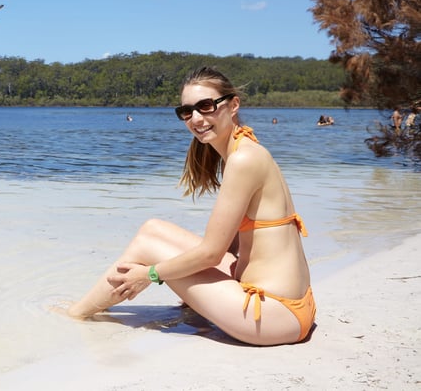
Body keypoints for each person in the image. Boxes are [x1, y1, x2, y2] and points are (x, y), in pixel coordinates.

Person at [67, 67, 315, 346]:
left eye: (206, 106)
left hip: (273, 314)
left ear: (233, 105)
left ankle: (76, 314)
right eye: (187, 111)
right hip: (288, 304)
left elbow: (211, 254)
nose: (196, 118)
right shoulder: (244, 148)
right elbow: (236, 242)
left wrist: (149, 275)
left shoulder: (243, 160)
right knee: (153, 229)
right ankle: (84, 308)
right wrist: (194, 295)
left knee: (148, 250)